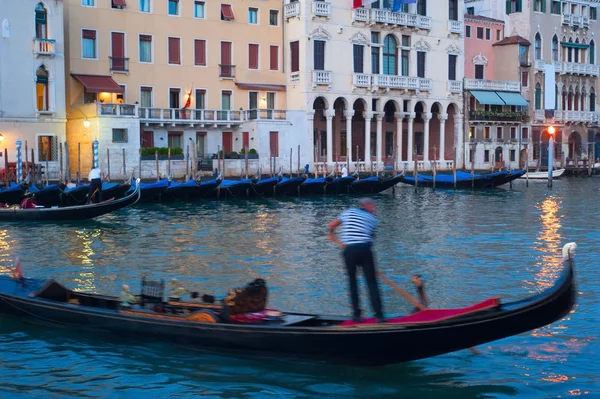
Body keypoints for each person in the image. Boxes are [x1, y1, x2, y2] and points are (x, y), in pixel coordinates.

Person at [328, 198, 385, 323]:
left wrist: (332, 234)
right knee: (371, 283)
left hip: (349, 251)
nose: (374, 210)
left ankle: (356, 315)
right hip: (365, 249)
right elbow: (371, 238)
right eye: (373, 207)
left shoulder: (347, 213)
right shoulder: (373, 220)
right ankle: (379, 315)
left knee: (352, 282)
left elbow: (331, 225)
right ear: (366, 206)